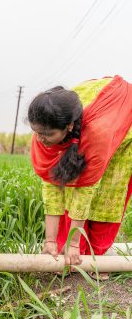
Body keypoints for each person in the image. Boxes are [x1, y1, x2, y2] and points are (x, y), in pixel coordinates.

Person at [28, 75, 132, 279]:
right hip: (89, 123)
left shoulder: (97, 135)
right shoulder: (45, 127)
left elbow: (84, 191)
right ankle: (61, 249)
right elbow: (52, 186)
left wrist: (73, 243)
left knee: (107, 195)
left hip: (123, 123)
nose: (40, 139)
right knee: (65, 189)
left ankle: (96, 257)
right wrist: (50, 241)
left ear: (68, 127)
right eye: (36, 132)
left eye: (47, 135)